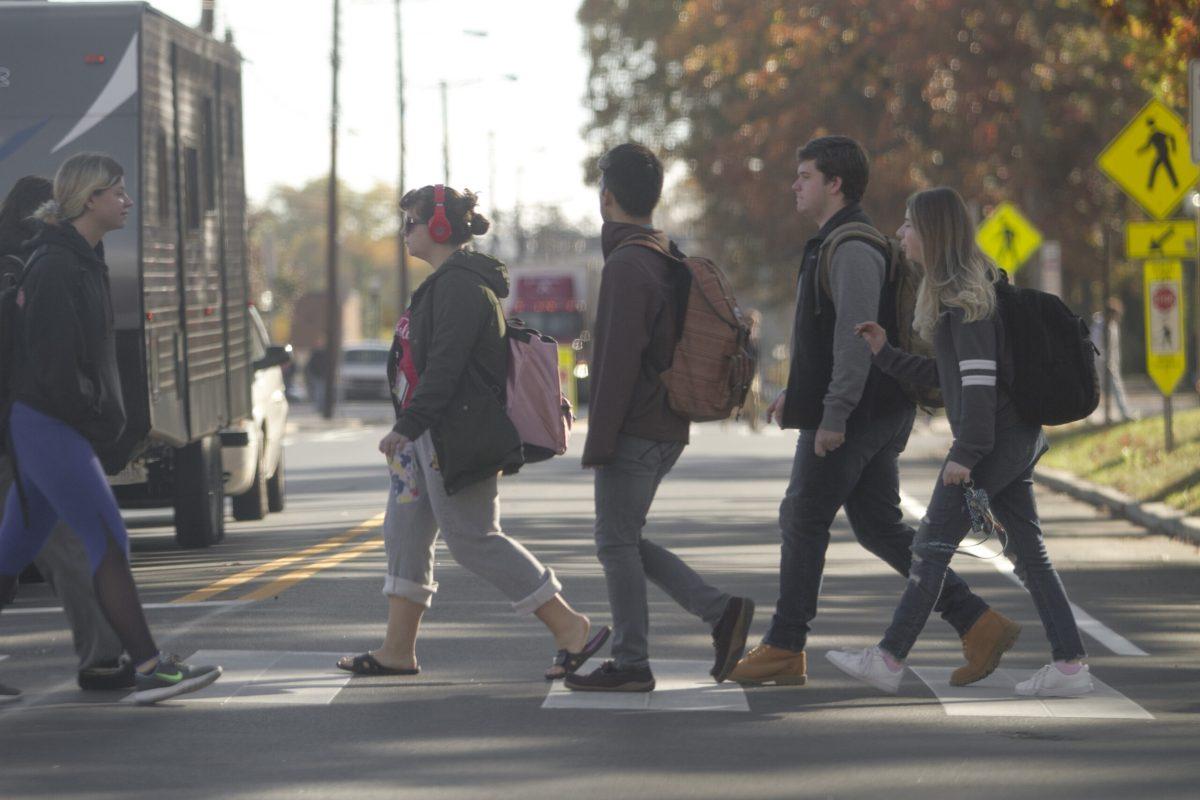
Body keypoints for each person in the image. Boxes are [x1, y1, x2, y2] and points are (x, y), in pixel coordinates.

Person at [729, 136, 1011, 688]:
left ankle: (786, 645)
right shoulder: (835, 240)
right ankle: (978, 622)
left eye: (805, 175)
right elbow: (824, 337)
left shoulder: (852, 245)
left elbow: (855, 338)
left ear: (835, 184)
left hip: (861, 414)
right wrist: (801, 397)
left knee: (802, 517)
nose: (795, 184)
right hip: (874, 409)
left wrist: (833, 415)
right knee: (880, 526)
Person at [337, 184, 609, 680]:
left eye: (411, 223)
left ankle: (572, 628)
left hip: (453, 437)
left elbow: (445, 367)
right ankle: (398, 650)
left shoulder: (462, 287)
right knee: (404, 534)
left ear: (439, 227)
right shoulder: (445, 283)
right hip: (425, 439)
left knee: (474, 538)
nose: (405, 233)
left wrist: (409, 424)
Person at [831, 186, 1092, 697]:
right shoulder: (966, 296)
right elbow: (949, 374)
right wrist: (886, 353)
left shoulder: (965, 303)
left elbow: (973, 389)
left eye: (908, 225)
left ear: (931, 233)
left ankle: (888, 658)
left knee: (929, 545)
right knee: (1028, 553)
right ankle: (1070, 667)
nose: (901, 234)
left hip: (993, 441)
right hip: (1014, 436)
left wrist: (966, 455)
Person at [0, 153, 221, 705]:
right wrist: (98, 413)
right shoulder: (55, 265)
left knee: (11, 550)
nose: (126, 200)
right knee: (108, 539)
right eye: (117, 191)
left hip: (49, 426)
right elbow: (52, 369)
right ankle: (150, 665)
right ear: (89, 198)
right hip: (50, 426)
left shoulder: (80, 256)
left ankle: (138, 661)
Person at [565, 143, 754, 694]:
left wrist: (599, 441)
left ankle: (633, 660)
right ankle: (719, 614)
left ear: (607, 197)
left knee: (614, 542)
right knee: (622, 539)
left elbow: (617, 363)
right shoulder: (663, 253)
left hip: (639, 426)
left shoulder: (628, 264)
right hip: (666, 424)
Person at [0, 176, 132, 700]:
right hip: (23, 433)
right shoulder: (34, 268)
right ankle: (103, 659)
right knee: (71, 545)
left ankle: (105, 656)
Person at [1090, 297, 1134, 422]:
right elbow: (1096, 347)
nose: (1118, 318)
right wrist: (1104, 363)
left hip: (1110, 364)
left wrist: (1114, 363)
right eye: (1116, 315)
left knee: (1116, 388)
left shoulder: (1113, 326)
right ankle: (1090, 417)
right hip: (1099, 365)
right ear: (1110, 313)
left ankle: (1124, 413)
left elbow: (1115, 348)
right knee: (1095, 392)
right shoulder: (1098, 326)